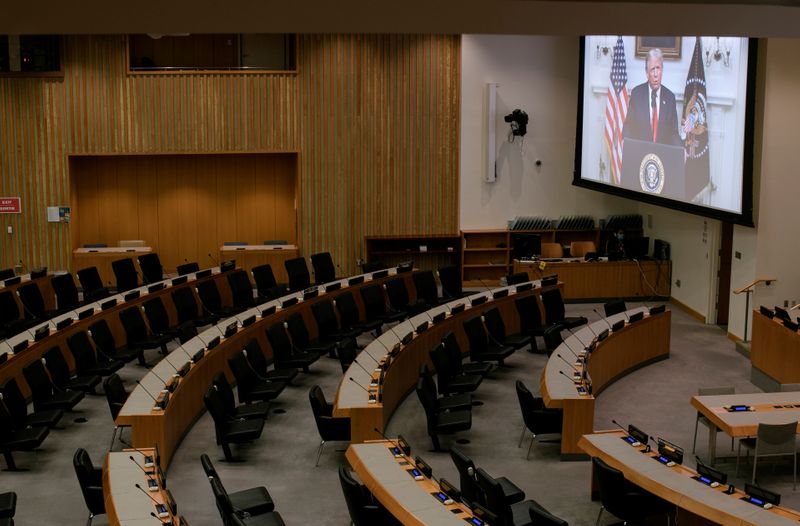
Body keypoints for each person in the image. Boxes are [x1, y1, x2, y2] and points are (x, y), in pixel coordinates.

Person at [622, 48, 681, 147]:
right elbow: (629, 127)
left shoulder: (670, 98)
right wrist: (625, 142)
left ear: (662, 70)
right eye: (652, 69)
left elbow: (673, 134)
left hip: (661, 157)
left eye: (658, 68)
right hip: (640, 154)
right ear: (646, 72)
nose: (655, 74)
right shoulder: (637, 94)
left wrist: (681, 149)